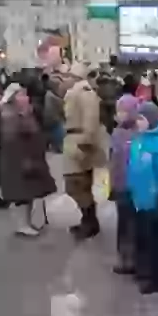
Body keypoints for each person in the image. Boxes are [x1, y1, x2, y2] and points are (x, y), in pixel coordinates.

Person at [127, 102, 158, 294]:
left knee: (156, 240)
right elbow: (133, 168)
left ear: (151, 120)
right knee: (142, 238)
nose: (137, 122)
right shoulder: (138, 141)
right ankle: (143, 271)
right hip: (139, 199)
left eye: (141, 119)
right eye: (137, 118)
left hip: (155, 201)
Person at [0, 83, 56, 236]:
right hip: (20, 161)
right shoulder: (10, 116)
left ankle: (26, 223)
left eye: (25, 94)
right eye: (22, 95)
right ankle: (21, 225)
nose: (26, 98)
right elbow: (11, 141)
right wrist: (24, 160)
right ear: (13, 98)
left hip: (30, 159)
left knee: (29, 192)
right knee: (21, 195)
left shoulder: (23, 113)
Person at [63, 62, 106, 240]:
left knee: (76, 185)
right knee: (81, 185)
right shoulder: (80, 92)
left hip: (78, 142)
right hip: (76, 140)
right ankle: (88, 221)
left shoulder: (83, 93)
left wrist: (85, 143)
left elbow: (90, 121)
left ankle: (90, 223)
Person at [110, 94, 140, 275]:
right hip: (120, 187)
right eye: (118, 111)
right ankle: (124, 258)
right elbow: (113, 162)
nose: (120, 115)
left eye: (123, 111)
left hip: (135, 187)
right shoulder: (116, 132)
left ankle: (134, 259)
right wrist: (111, 186)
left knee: (134, 225)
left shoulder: (139, 133)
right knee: (123, 224)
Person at [43, 75, 66, 153]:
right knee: (58, 131)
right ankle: (58, 147)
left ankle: (49, 145)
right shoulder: (52, 96)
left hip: (49, 117)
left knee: (49, 132)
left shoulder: (48, 94)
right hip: (53, 118)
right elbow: (61, 106)